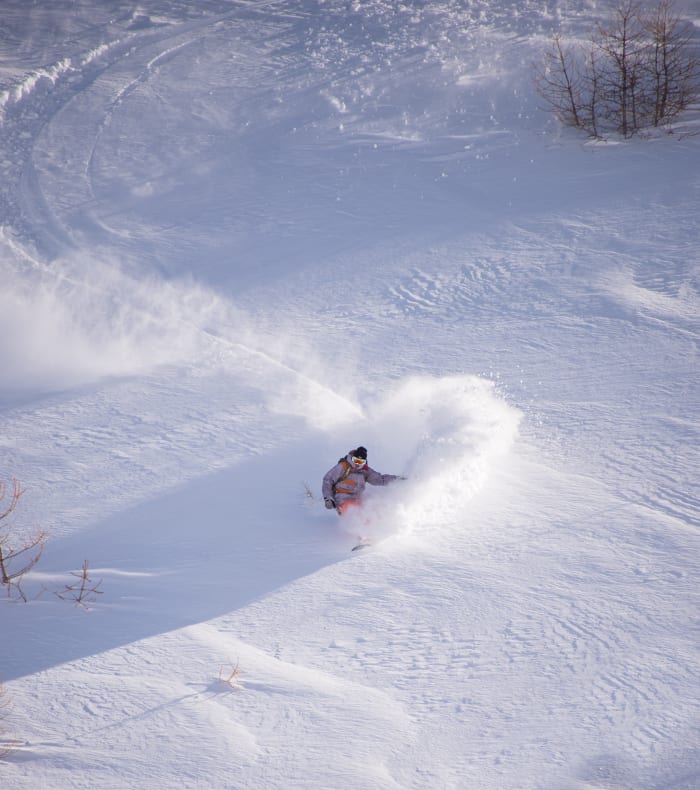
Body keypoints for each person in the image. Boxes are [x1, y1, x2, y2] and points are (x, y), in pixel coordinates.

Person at [322, 446, 402, 515]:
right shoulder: (343, 466)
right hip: (342, 500)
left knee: (375, 507)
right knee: (356, 511)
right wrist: (328, 498)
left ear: (364, 462)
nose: (357, 464)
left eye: (360, 462)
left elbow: (380, 479)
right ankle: (358, 525)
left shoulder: (365, 471)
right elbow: (327, 480)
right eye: (356, 460)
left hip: (357, 500)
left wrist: (398, 480)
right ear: (352, 458)